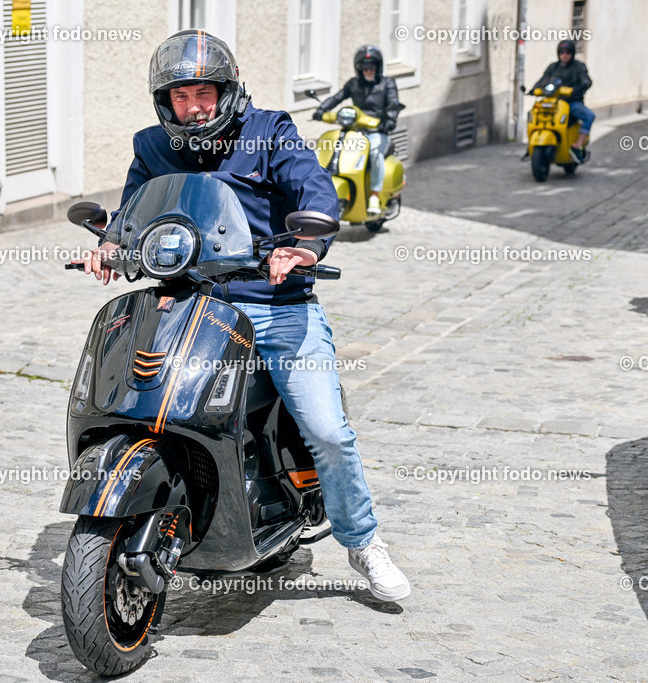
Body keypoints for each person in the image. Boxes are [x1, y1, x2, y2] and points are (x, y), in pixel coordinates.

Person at [81, 30, 411, 602]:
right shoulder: (154, 145)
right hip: (190, 300)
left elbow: (313, 189)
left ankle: (363, 542)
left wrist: (305, 243)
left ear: (226, 90)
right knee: (141, 396)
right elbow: (133, 212)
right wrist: (111, 244)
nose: (193, 107)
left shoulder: (270, 132)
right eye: (180, 97)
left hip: (274, 301)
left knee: (328, 431)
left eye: (203, 92)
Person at [312, 45, 400, 216]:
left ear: (378, 67)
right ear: (359, 69)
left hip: (377, 132)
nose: (368, 71)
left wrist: (388, 121)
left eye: (372, 67)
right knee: (332, 145)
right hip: (355, 131)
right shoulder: (354, 84)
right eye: (365, 68)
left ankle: (374, 194)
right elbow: (337, 97)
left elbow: (393, 105)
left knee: (374, 152)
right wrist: (321, 109)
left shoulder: (387, 84)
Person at [532, 39, 593, 163]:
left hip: (572, 102)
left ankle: (578, 146)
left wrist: (581, 87)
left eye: (568, 52)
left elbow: (586, 79)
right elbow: (543, 80)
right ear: (558, 53)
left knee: (589, 116)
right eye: (562, 52)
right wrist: (533, 89)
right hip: (554, 102)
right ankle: (531, 147)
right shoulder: (553, 67)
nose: (565, 55)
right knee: (534, 113)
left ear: (573, 53)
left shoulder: (579, 66)